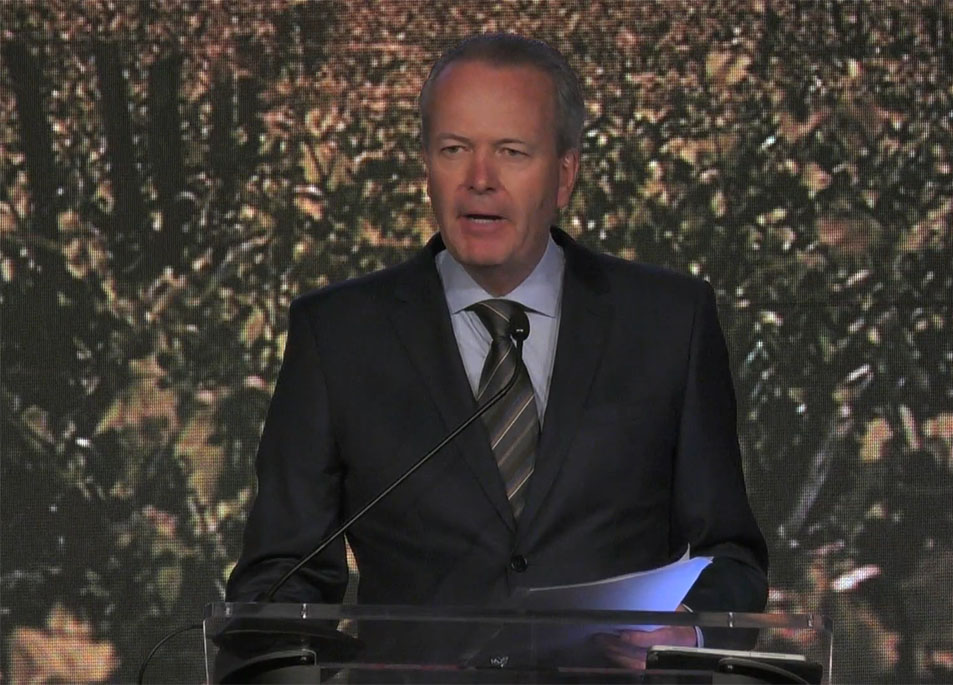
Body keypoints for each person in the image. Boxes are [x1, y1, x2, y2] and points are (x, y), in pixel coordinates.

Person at [226, 33, 768, 669]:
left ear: (564, 174)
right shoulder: (339, 333)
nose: (479, 180)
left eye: (512, 152)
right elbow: (281, 581)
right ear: (427, 164)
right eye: (454, 150)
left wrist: (688, 637)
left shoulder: (669, 322)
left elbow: (730, 556)